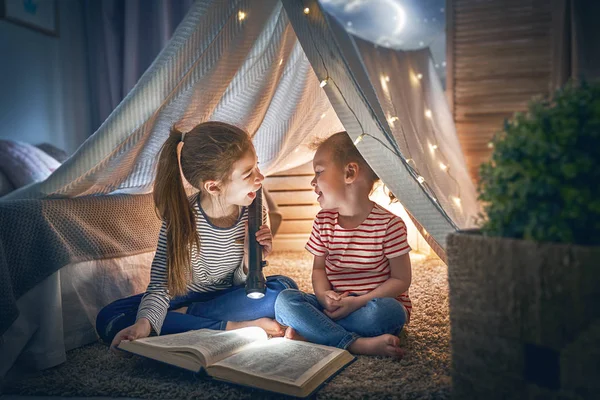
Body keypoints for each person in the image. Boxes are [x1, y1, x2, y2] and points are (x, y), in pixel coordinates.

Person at [96, 121, 297, 352]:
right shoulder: (181, 219)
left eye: (257, 167)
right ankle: (232, 326)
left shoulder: (254, 209)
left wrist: (250, 260)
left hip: (227, 297)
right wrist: (144, 323)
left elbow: (245, 286)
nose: (260, 177)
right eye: (249, 173)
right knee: (110, 318)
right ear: (213, 187)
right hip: (184, 297)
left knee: (283, 287)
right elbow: (161, 285)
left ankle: (186, 319)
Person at [275, 132, 412, 358]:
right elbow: (318, 269)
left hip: (370, 306)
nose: (312, 181)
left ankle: (316, 334)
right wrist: (322, 296)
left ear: (350, 173)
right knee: (285, 300)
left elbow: (401, 280)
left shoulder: (390, 225)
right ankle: (355, 344)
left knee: (389, 313)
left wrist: (357, 302)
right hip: (335, 306)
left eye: (318, 172)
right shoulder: (322, 221)